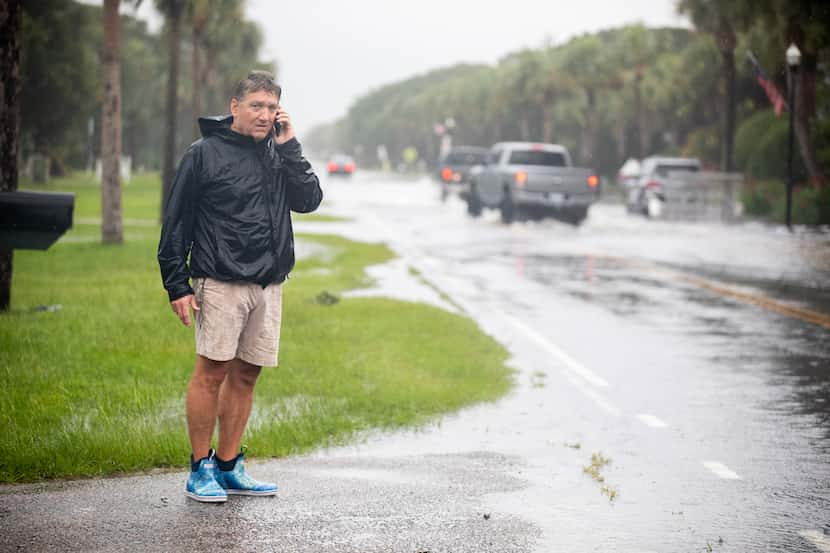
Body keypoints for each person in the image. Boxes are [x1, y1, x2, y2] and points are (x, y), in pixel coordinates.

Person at [158, 70, 322, 503]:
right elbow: (176, 222)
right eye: (256, 106)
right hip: (220, 279)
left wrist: (290, 147)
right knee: (211, 372)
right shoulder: (203, 154)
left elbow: (308, 200)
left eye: (272, 107)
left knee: (247, 374)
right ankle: (200, 469)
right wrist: (177, 284)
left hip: (268, 283)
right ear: (234, 107)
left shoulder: (278, 152)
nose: (265, 115)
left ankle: (229, 466)